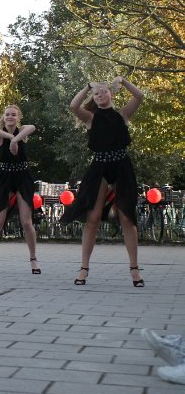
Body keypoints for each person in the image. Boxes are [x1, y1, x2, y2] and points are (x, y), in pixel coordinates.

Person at [63, 77, 145, 287]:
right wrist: (87, 86)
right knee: (93, 218)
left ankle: (134, 269)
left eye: (103, 92)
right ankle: (84, 268)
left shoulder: (122, 115)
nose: (100, 95)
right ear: (94, 98)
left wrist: (123, 81)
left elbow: (139, 96)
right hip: (99, 167)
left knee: (127, 218)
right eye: (96, 94)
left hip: (121, 166)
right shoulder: (90, 117)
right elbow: (73, 105)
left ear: (111, 94)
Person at [0, 105, 40, 274]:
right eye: (7, 115)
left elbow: (32, 127)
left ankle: (33, 259)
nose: (10, 117)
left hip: (23, 177)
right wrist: (10, 138)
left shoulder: (23, 133)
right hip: (5, 177)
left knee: (26, 222)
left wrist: (15, 139)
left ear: (18, 117)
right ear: (4, 118)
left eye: (13, 114)